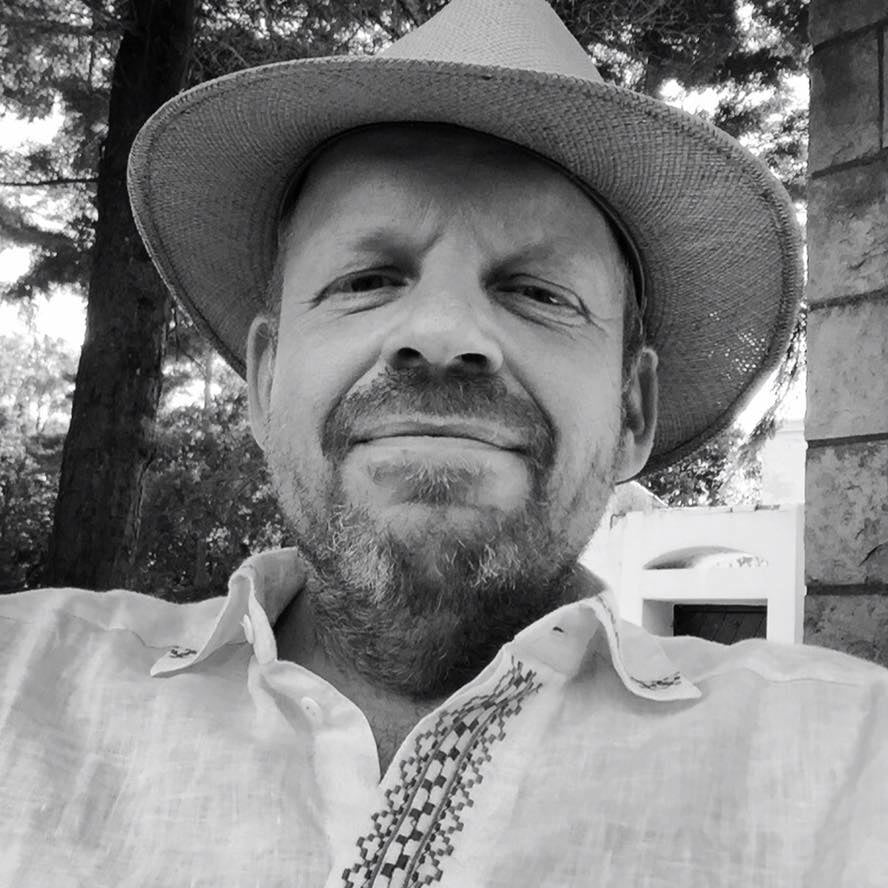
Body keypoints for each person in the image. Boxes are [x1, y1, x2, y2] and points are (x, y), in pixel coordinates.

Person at [2, 0, 886, 885]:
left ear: (631, 413)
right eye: (367, 279)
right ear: (265, 381)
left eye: (539, 293)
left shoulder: (847, 771)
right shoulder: (20, 684)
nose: (440, 332)